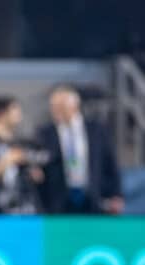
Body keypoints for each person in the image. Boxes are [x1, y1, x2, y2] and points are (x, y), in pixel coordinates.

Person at [35, 86, 124, 214]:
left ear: (74, 106)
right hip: (60, 200)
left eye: (60, 107)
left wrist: (116, 194)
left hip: (93, 197)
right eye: (53, 107)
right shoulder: (45, 133)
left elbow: (109, 163)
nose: (54, 111)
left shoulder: (96, 130)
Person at [0, 96, 43, 214]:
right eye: (15, 110)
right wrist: (8, 160)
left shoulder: (21, 142)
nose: (19, 114)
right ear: (2, 113)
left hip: (22, 211)